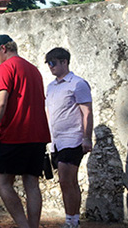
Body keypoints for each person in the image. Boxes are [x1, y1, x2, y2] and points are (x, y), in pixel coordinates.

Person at [0, 34, 51, 228]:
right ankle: (33, 226)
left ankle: (23, 226)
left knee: (2, 182)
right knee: (32, 183)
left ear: (3, 48)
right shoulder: (34, 70)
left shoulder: (6, 67)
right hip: (38, 135)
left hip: (15, 134)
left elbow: (1, 102)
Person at [44, 47, 93, 228]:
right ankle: (73, 219)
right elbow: (49, 113)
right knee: (67, 181)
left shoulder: (78, 84)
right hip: (56, 141)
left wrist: (87, 138)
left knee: (66, 179)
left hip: (73, 138)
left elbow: (86, 112)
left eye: (53, 63)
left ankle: (71, 220)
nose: (50, 67)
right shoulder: (51, 87)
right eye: (48, 63)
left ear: (64, 62)